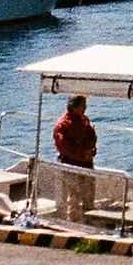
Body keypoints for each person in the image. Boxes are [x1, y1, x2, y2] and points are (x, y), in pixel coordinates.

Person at [53, 94, 97, 225]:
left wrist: (91, 151)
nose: (85, 108)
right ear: (74, 107)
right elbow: (64, 147)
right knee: (74, 197)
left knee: (89, 195)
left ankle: (89, 220)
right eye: (82, 106)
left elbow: (92, 138)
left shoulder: (84, 121)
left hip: (87, 165)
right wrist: (82, 155)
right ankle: (73, 223)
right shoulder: (62, 125)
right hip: (71, 165)